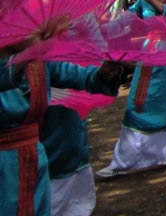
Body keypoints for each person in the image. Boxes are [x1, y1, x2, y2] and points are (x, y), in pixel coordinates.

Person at [0, 49, 122, 216]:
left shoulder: (39, 61)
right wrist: (21, 61)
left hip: (34, 156)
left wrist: (104, 73)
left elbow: (77, 75)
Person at [97, 0, 166, 177]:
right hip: (149, 52)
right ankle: (123, 160)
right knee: (139, 102)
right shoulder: (142, 0)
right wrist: (102, 25)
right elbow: (125, 21)